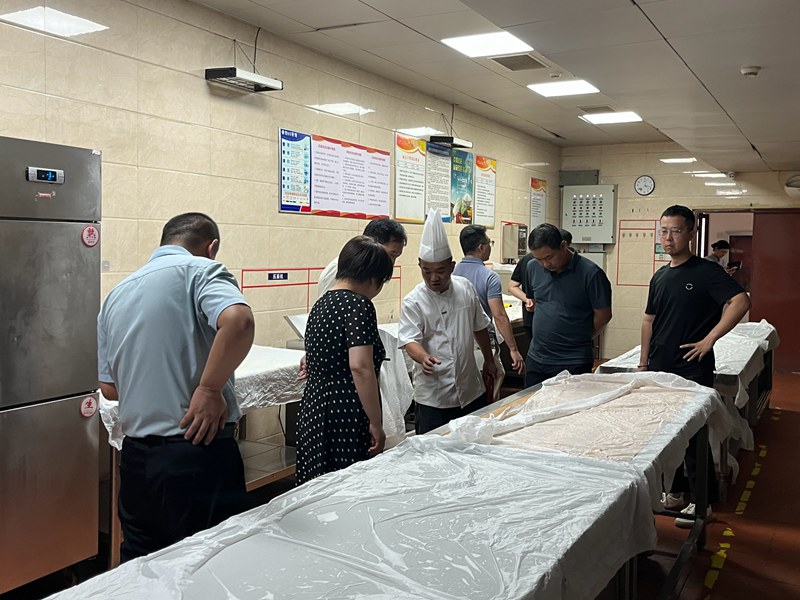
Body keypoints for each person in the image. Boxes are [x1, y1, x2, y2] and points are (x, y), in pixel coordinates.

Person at [97, 213, 255, 562]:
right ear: (211, 247)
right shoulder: (200, 270)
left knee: (145, 564)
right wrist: (208, 389)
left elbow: (109, 388)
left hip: (138, 460)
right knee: (211, 562)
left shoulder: (116, 294)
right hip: (196, 451)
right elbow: (239, 321)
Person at [640, 205, 750, 527]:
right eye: (663, 231)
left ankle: (702, 502)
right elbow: (648, 321)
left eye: (676, 231)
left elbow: (740, 301)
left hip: (692, 367)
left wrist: (709, 339)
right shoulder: (660, 276)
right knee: (665, 433)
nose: (668, 237)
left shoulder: (705, 271)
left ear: (691, 233)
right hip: (660, 367)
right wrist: (643, 363)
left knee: (694, 436)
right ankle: (676, 492)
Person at [296, 236, 393, 484]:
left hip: (314, 407)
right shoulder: (358, 305)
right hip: (345, 410)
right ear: (373, 279)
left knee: (315, 483)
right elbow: (360, 366)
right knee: (346, 486)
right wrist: (376, 423)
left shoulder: (320, 304)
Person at [398, 208, 497, 434]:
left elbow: (480, 326)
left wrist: (489, 360)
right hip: (434, 397)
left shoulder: (465, 288)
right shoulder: (414, 301)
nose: (434, 278)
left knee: (473, 444)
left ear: (452, 266)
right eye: (427, 271)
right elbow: (409, 340)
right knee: (433, 450)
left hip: (471, 390)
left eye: (440, 270)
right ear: (420, 266)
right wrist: (423, 357)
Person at [524, 224, 612, 388]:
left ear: (563, 245)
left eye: (549, 257)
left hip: (573, 360)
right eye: (539, 259)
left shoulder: (591, 273)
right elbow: (536, 301)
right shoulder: (532, 267)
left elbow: (604, 315)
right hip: (537, 358)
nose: (545, 264)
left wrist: (579, 336)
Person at [453, 225, 525, 401]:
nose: (490, 247)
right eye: (489, 243)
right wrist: (513, 349)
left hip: (457, 344)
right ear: (481, 247)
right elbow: (499, 316)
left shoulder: (452, 273)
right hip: (483, 344)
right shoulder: (489, 276)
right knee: (490, 390)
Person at [317, 218, 407, 299]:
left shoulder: (367, 273)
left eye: (396, 257)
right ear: (373, 244)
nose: (392, 263)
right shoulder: (341, 269)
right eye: (391, 255)